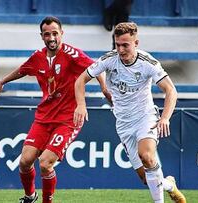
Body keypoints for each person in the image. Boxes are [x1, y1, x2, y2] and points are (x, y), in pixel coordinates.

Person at [0, 16, 110, 203]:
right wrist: (2, 81)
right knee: (24, 162)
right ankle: (30, 196)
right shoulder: (38, 57)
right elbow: (23, 70)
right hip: (43, 118)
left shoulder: (72, 54)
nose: (52, 37)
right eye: (47, 34)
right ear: (42, 36)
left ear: (61, 34)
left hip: (67, 119)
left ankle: (47, 201)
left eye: (55, 33)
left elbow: (97, 68)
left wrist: (104, 89)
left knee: (45, 163)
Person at [74, 22, 186, 203]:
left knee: (147, 156)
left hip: (145, 117)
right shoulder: (109, 59)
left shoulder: (147, 63)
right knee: (146, 179)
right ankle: (169, 185)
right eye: (117, 44)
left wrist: (165, 118)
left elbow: (171, 90)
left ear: (136, 43)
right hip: (124, 124)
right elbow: (80, 80)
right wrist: (81, 104)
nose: (120, 49)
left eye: (125, 45)